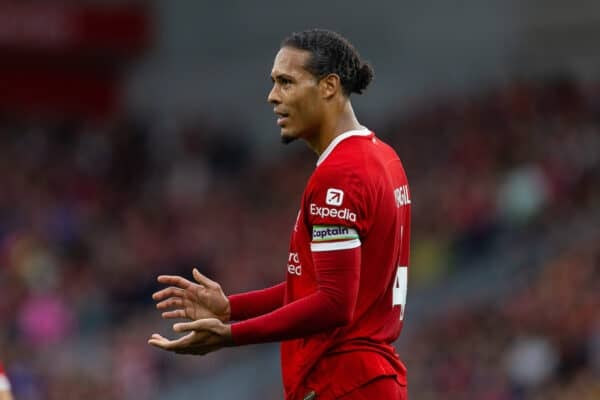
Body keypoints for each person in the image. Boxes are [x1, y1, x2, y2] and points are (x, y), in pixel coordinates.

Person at [149, 28, 411, 400]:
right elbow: (320, 286)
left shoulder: (342, 175)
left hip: (344, 382)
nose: (273, 97)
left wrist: (231, 336)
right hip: (364, 380)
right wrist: (231, 309)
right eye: (274, 83)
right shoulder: (382, 157)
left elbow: (335, 304)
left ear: (329, 86)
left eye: (286, 82)